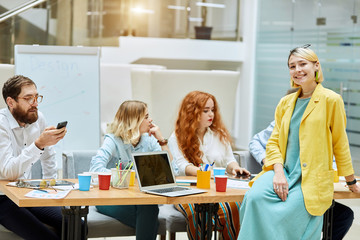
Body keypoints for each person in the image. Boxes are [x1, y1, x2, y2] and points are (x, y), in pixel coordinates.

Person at [239, 45, 360, 240]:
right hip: (283, 172)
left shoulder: (332, 100)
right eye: (292, 66)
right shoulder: (285, 102)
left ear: (316, 66)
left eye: (302, 64)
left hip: (311, 179)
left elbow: (340, 143)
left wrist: (351, 180)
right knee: (253, 198)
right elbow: (273, 143)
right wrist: (278, 173)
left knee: (288, 213)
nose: (297, 70)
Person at [250, 119, 355, 240]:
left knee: (344, 216)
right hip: (291, 191)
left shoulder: (330, 124)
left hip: (314, 192)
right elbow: (256, 142)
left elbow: (336, 158)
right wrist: (272, 163)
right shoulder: (290, 117)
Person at [168, 91, 250, 240]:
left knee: (233, 208)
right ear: (192, 112)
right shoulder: (177, 136)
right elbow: (181, 166)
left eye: (212, 110)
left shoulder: (219, 134)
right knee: (198, 213)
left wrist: (235, 167)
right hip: (187, 190)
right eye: (205, 111)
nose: (211, 114)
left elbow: (229, 159)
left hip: (216, 189)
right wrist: (203, 172)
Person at [89, 100, 171, 240]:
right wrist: (122, 177)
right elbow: (95, 167)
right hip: (111, 201)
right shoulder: (113, 140)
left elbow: (169, 170)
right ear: (134, 121)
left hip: (140, 200)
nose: (150, 120)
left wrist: (161, 140)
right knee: (150, 214)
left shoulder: (149, 140)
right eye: (146, 117)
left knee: (148, 208)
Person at [0, 75, 67, 240]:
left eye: (37, 97)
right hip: (3, 198)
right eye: (28, 98)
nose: (35, 103)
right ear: (11, 102)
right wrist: (38, 145)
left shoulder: (38, 118)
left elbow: (49, 155)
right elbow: (8, 172)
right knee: (45, 237)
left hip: (27, 192)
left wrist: (51, 188)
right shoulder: (1, 124)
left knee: (76, 224)